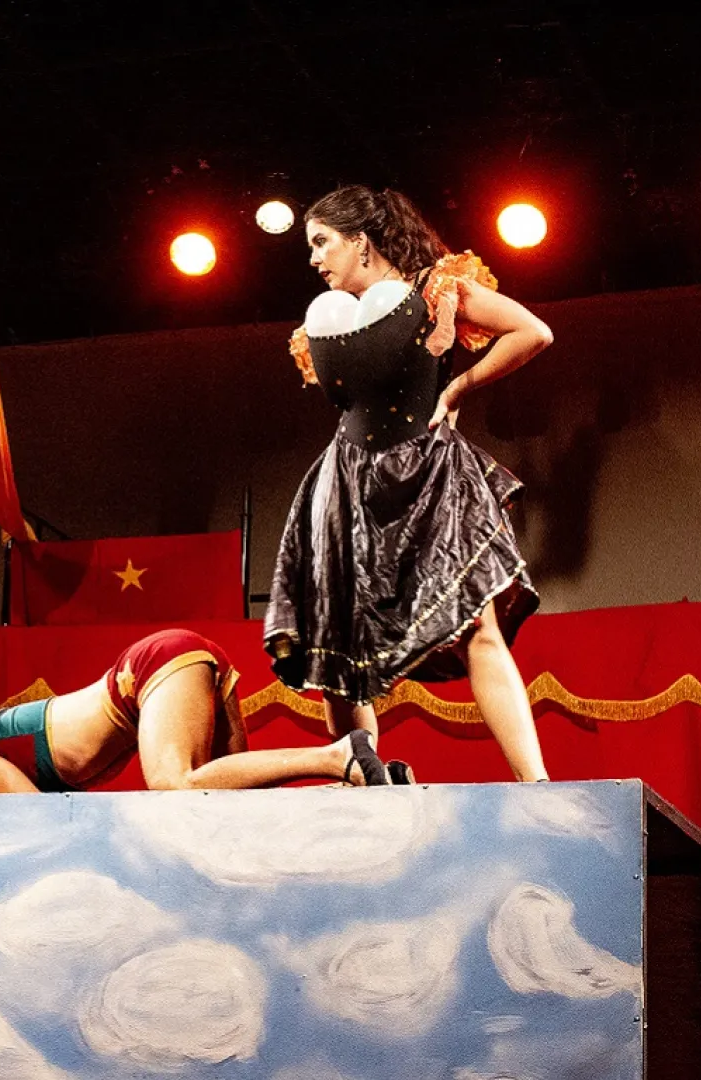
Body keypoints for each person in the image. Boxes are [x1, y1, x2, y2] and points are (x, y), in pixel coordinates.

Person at [265, 186, 552, 782]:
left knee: (477, 625)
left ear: (360, 241)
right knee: (337, 648)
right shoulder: (331, 316)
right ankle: (361, 777)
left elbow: (532, 332)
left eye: (321, 242)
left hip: (429, 471)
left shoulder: (436, 289)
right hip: (347, 480)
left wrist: (458, 388)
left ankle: (536, 784)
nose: (314, 258)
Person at [0, 628, 409, 795]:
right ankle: (368, 777)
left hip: (149, 672)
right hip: (171, 666)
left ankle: (339, 755)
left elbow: (33, 818)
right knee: (229, 809)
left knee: (173, 787)